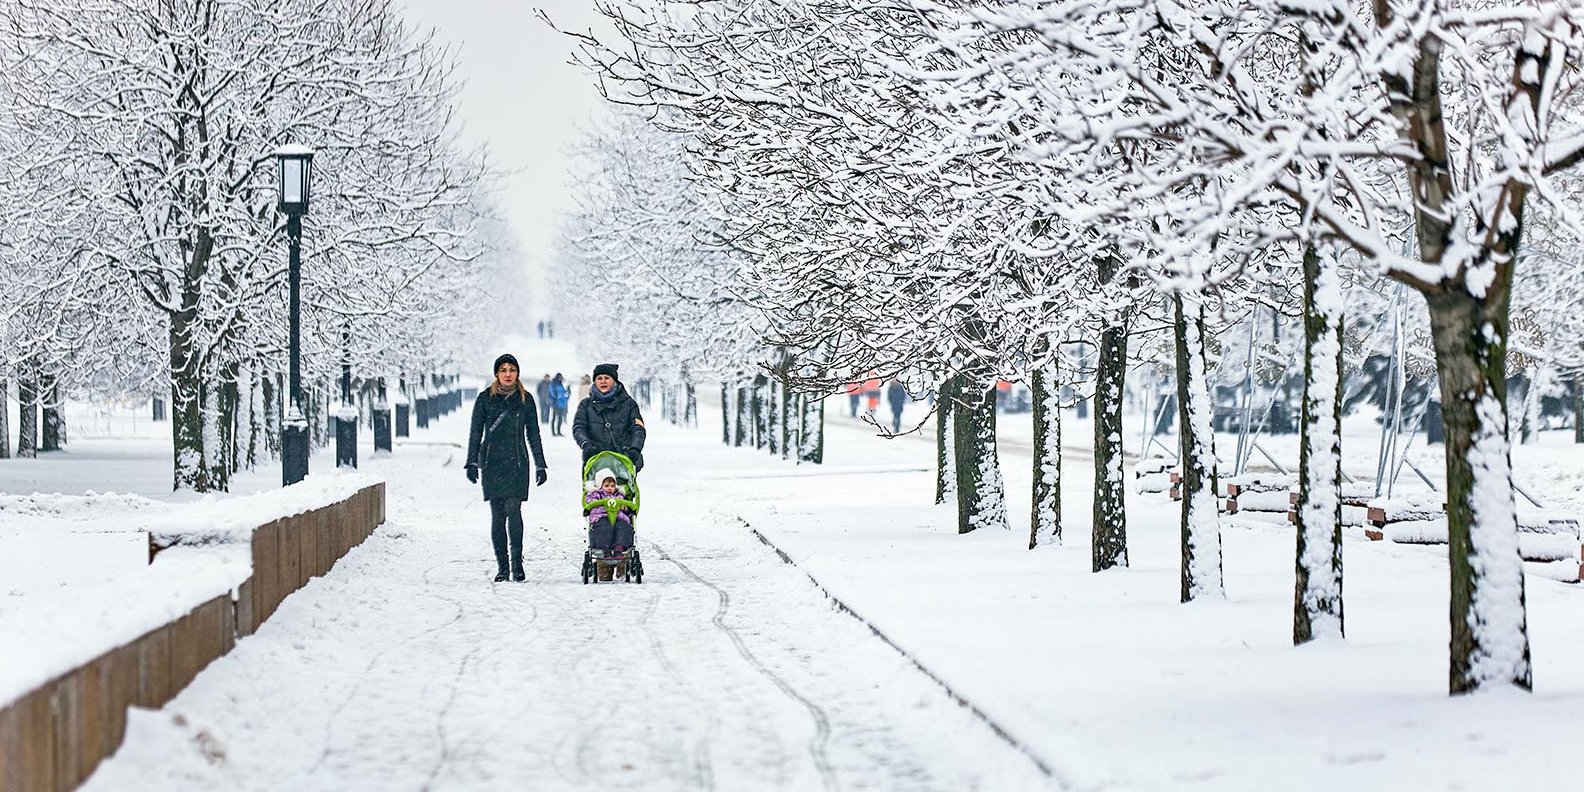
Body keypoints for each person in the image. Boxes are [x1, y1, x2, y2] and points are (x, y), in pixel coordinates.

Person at [465, 354, 549, 582]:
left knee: (514, 510)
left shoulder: (526, 399)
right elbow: (475, 432)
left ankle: (516, 564)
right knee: (497, 515)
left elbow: (533, 434)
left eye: (512, 369)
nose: (508, 374)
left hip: (517, 462)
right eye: (503, 370)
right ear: (497, 374)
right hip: (492, 463)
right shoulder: (485, 399)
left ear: (517, 373)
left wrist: (540, 464)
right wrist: (471, 461)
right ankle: (502, 566)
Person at [573, 362, 647, 471]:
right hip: (595, 460)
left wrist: (634, 449)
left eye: (607, 378)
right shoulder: (586, 405)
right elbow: (579, 427)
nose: (603, 381)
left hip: (624, 460)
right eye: (599, 378)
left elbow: (638, 428)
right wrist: (586, 444)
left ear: (614, 380)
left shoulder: (629, 404)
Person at [584, 469, 635, 557]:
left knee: (624, 526)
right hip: (601, 517)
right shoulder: (596, 494)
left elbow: (624, 505)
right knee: (604, 528)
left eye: (612, 486)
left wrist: (624, 507)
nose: (610, 488)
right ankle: (605, 549)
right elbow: (590, 501)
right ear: (600, 486)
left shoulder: (618, 495)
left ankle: (619, 548)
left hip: (618, 518)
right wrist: (598, 503)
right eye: (606, 486)